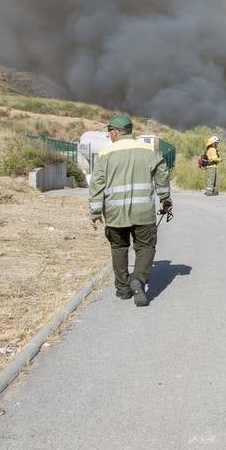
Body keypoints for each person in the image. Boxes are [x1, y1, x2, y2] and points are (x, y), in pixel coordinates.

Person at [89, 113, 171, 308]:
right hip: (143, 212)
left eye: (110, 131)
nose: (109, 135)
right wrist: (165, 198)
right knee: (145, 246)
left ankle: (123, 289)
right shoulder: (148, 150)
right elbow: (162, 173)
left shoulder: (105, 153)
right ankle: (139, 279)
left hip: (115, 213)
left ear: (116, 132)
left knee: (119, 247)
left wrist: (95, 211)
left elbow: (97, 183)